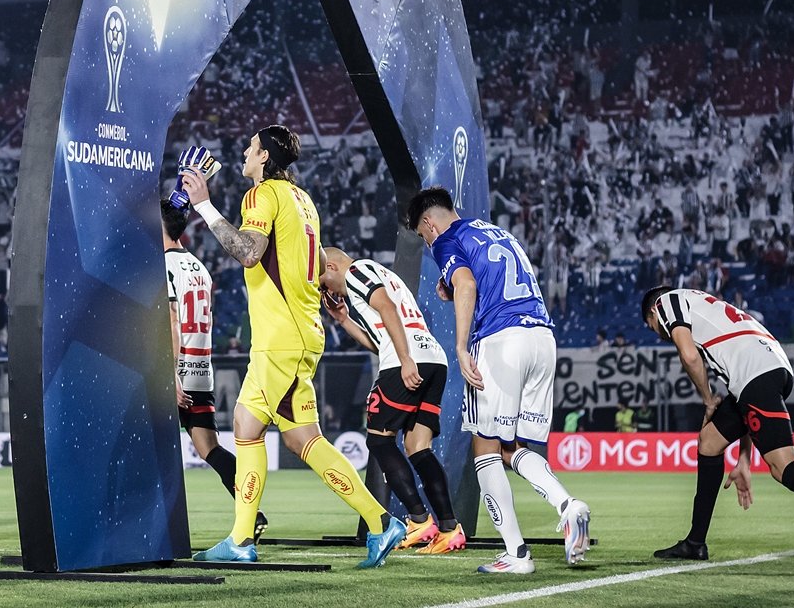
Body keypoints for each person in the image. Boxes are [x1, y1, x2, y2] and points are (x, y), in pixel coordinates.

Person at [182, 127, 405, 567]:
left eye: (250, 147)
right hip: (305, 333)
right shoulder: (303, 200)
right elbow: (321, 261)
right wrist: (320, 291)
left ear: (263, 156)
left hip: (279, 338)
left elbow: (248, 252)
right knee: (305, 439)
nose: (244, 152)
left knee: (246, 425)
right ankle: (380, 521)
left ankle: (242, 539)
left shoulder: (260, 194)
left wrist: (204, 206)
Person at [406, 186, 591, 573]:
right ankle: (567, 506)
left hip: (501, 341)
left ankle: (517, 554)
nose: (428, 244)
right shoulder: (495, 232)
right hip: (542, 338)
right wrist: (451, 284)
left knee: (485, 448)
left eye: (424, 238)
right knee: (515, 446)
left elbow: (467, 285)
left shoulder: (446, 239)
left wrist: (460, 346)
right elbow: (482, 279)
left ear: (428, 223)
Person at [642, 286, 794, 572]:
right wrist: (744, 460)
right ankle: (695, 542)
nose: (657, 332)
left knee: (782, 466)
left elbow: (689, 356)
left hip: (757, 374)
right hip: (768, 367)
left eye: (651, 326)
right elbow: (743, 398)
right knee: (709, 442)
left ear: (653, 311)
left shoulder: (668, 301)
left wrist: (707, 399)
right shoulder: (705, 307)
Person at [319, 247, 465, 554]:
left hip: (406, 360)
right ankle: (450, 529)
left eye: (322, 281)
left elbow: (386, 308)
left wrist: (404, 359)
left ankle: (419, 521)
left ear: (331, 266)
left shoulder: (356, 272)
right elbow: (380, 339)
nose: (325, 289)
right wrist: (344, 320)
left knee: (379, 442)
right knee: (417, 447)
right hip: (433, 359)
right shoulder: (384, 273)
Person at [161, 200, 267, 539]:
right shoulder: (199, 267)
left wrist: (170, 373)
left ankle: (152, 527)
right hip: (201, 367)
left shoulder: (161, 266)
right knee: (209, 448)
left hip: (175, 370)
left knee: (149, 447)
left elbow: (173, 320)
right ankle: (253, 513)